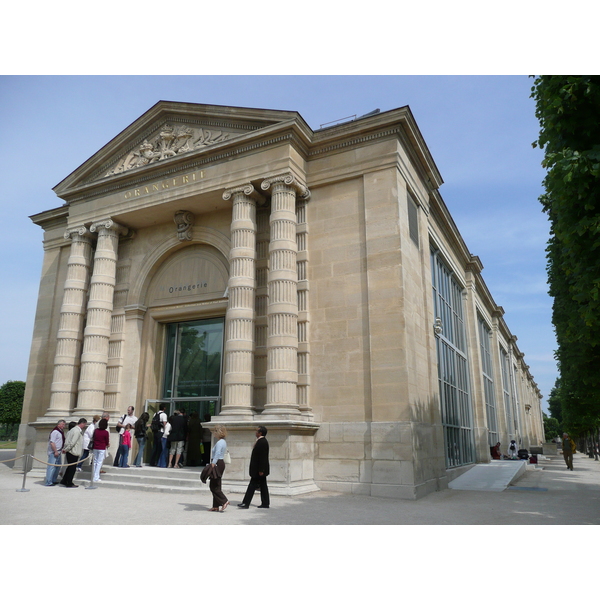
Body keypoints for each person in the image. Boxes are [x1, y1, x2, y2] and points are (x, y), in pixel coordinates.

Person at [238, 426, 270, 509]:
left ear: (261, 433)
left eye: (257, 431)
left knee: (252, 485)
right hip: (259, 469)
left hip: (259, 470)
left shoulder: (262, 442)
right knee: (263, 486)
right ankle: (265, 503)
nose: (256, 433)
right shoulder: (260, 441)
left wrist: (261, 470)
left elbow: (263, 457)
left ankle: (246, 503)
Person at [206, 425, 229, 512]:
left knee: (213, 485)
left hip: (217, 463)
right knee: (217, 484)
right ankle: (215, 506)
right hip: (219, 463)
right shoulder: (222, 441)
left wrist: (213, 463)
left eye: (215, 431)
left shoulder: (220, 442)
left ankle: (224, 501)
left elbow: (217, 453)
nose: (213, 433)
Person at [60, 418, 88, 487]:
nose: (84, 426)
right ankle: (69, 482)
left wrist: (66, 449)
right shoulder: (77, 431)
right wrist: (66, 449)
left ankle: (64, 480)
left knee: (69, 467)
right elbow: (72, 442)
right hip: (73, 451)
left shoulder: (72, 430)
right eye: (84, 424)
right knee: (72, 468)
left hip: (70, 451)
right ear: (82, 423)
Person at [44, 420, 66, 486]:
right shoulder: (55, 432)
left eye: (64, 425)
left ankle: (53, 480)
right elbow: (52, 442)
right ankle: (48, 481)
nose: (63, 426)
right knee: (51, 467)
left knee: (57, 467)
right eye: (62, 424)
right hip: (54, 452)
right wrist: (55, 451)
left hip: (59, 451)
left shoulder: (60, 432)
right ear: (58, 424)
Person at [92, 418, 110, 482]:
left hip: (95, 447)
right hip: (102, 448)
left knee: (95, 462)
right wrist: (107, 444)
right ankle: (96, 477)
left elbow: (93, 437)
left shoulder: (96, 431)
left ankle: (93, 476)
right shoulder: (106, 432)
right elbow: (107, 441)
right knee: (99, 463)